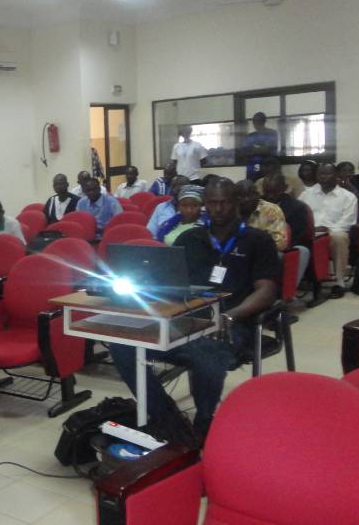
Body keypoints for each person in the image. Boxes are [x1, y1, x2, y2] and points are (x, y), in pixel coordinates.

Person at [109, 178, 280, 446]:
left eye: (224, 202)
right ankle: (166, 417)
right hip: (188, 318)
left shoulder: (257, 240)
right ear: (204, 205)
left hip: (234, 322)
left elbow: (266, 291)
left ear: (235, 203)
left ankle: (204, 421)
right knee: (122, 345)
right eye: (212, 203)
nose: (218, 209)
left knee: (206, 351)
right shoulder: (190, 239)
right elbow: (171, 285)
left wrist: (230, 316)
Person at [300, 163, 358, 295]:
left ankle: (339, 281)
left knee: (340, 237)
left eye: (327, 173)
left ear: (336, 175)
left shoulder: (348, 197)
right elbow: (299, 214)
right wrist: (311, 229)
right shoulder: (306, 194)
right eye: (320, 174)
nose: (323, 177)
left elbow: (348, 221)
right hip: (311, 231)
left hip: (333, 232)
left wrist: (328, 230)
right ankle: (301, 279)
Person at [262, 173, 311, 284]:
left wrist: (276, 247)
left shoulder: (296, 207)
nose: (270, 196)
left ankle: (285, 290)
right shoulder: (257, 204)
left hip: (285, 246)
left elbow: (298, 235)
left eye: (274, 192)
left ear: (284, 188)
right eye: (267, 192)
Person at [236, 180, 288, 251]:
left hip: (262, 252)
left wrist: (252, 245)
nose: (246, 199)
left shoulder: (271, 210)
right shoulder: (232, 210)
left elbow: (280, 243)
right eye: (241, 196)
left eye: (250, 195)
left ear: (258, 195)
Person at [243, 112, 279, 181]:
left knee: (270, 183)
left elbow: (268, 150)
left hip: (269, 165)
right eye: (254, 121)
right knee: (253, 183)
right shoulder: (250, 136)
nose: (255, 123)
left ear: (264, 121)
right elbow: (247, 152)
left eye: (259, 121)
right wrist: (261, 148)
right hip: (254, 166)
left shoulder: (272, 133)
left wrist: (255, 149)